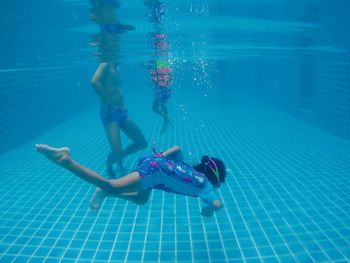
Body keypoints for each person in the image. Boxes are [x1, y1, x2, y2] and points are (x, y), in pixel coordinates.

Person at [35, 144, 227, 217]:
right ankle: (65, 159)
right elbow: (218, 204)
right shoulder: (206, 187)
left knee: (141, 199)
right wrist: (209, 209)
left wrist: (159, 157)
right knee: (111, 183)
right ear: (215, 179)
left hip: (154, 165)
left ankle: (104, 193)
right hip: (154, 171)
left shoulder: (189, 169)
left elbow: (176, 148)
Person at [91, 61, 148, 178]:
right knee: (117, 151)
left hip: (121, 111)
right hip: (110, 113)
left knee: (142, 143)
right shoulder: (105, 64)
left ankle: (115, 158)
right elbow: (94, 81)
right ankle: (111, 163)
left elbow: (114, 88)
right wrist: (107, 101)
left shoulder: (116, 65)